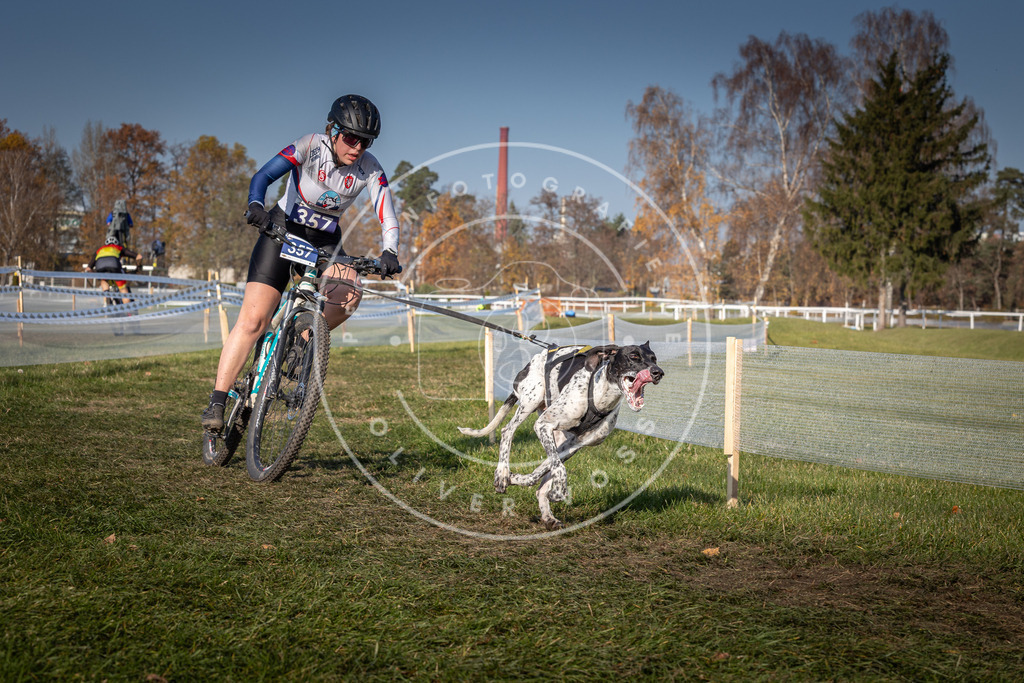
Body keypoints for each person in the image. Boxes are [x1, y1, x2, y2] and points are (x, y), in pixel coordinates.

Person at [201, 94, 401, 433]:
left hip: (325, 240)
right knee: (253, 320)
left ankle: (300, 342)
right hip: (281, 230)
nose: (357, 147)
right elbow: (263, 175)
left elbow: (387, 214)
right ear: (334, 131)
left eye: (365, 141)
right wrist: (256, 205)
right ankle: (218, 400)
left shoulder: (370, 168)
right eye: (351, 137)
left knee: (350, 293)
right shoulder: (310, 145)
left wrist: (390, 251)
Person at [86, 235, 142, 305]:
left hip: (99, 265)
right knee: (123, 289)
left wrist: (96, 275)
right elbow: (139, 256)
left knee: (103, 280)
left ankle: (107, 295)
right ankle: (128, 311)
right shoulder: (119, 247)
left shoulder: (99, 250)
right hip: (114, 265)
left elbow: (88, 268)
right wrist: (138, 267)